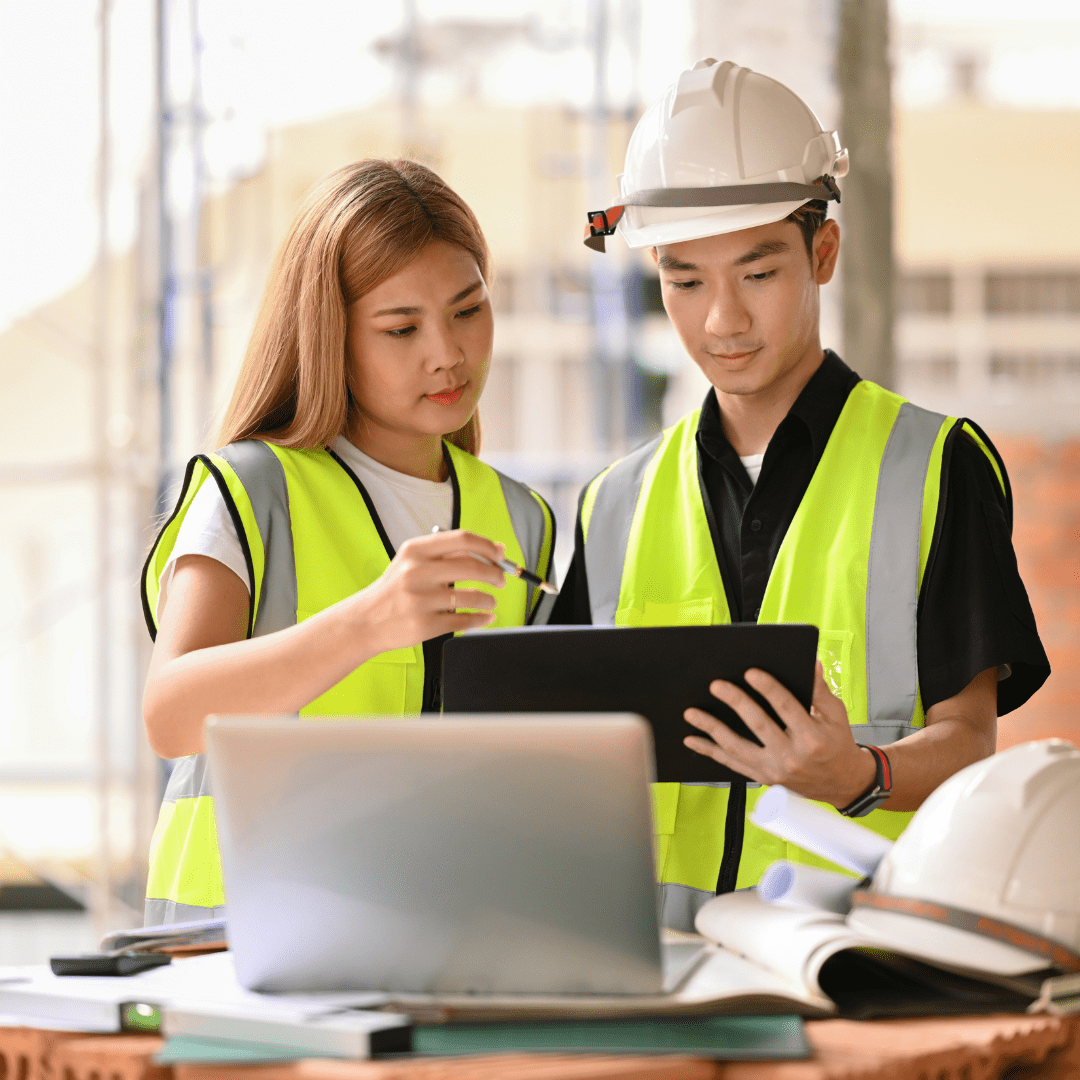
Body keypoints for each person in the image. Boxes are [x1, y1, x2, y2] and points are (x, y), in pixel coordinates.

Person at [556, 59, 1050, 932]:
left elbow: (971, 741)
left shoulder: (936, 465)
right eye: (684, 279)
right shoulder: (614, 502)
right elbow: (562, 753)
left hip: (865, 957)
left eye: (756, 271)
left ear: (822, 253)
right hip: (659, 966)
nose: (721, 320)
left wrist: (861, 778)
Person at [140, 159, 556, 925]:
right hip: (234, 947)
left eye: (469, 310)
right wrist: (370, 623)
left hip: (436, 934)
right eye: (401, 328)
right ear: (330, 335)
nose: (448, 353)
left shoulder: (523, 517)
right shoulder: (251, 488)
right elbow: (171, 715)